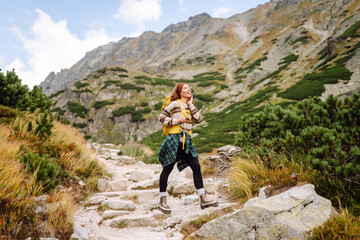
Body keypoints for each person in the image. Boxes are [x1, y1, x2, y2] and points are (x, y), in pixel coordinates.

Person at [157, 83, 218, 214]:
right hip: (174, 139)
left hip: (187, 141)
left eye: (189, 88)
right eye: (185, 88)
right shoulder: (174, 104)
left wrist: (191, 104)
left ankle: (203, 198)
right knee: (167, 168)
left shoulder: (190, 106)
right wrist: (176, 121)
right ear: (179, 92)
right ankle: (162, 200)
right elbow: (161, 117)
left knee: (196, 167)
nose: (188, 89)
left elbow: (199, 119)